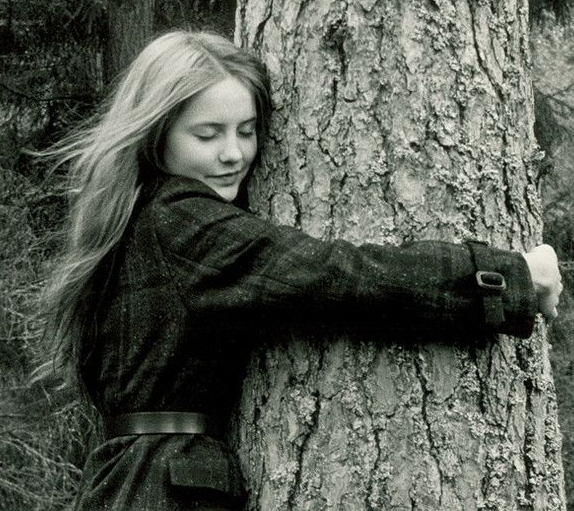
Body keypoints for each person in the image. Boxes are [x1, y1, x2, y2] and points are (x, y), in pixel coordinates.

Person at [37, 30, 562, 511]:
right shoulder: (181, 221)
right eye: (207, 134)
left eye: (247, 131)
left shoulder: (133, 217)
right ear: (157, 134)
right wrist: (507, 275)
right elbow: (334, 275)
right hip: (163, 491)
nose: (233, 154)